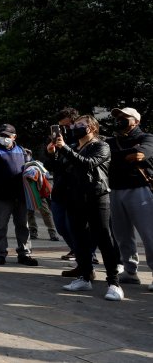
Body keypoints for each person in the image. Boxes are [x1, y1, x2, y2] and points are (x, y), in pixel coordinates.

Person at [49, 114, 124, 300]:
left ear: (90, 128)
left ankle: (114, 283)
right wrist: (53, 153)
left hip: (97, 196)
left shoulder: (101, 145)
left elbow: (88, 164)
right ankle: (84, 276)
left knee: (104, 238)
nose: (75, 128)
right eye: (75, 125)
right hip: (75, 198)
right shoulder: (73, 147)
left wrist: (64, 148)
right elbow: (60, 169)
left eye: (80, 125)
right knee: (79, 239)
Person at [106, 107, 153, 291]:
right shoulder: (111, 141)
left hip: (140, 189)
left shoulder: (147, 138)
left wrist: (124, 155)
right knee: (121, 234)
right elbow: (110, 157)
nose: (120, 119)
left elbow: (140, 154)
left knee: (149, 234)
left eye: (124, 117)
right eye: (118, 117)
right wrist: (126, 154)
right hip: (115, 190)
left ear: (136, 121)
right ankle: (130, 270)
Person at [0, 124, 38, 266]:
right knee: (1, 225)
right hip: (2, 196)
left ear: (14, 137)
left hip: (20, 195)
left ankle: (24, 253)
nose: (4, 138)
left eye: (7, 136)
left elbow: (28, 170)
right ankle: (0, 253)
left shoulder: (23, 152)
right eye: (2, 135)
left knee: (22, 225)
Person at [48, 108, 79, 260]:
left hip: (77, 188)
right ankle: (75, 248)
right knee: (60, 224)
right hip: (60, 187)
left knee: (76, 225)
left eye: (67, 126)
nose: (65, 130)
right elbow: (50, 166)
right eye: (62, 126)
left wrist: (65, 147)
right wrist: (51, 152)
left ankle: (86, 254)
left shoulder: (82, 139)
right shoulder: (58, 139)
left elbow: (81, 162)